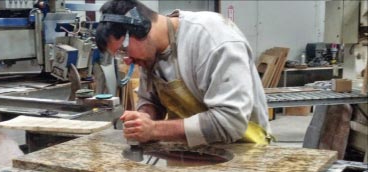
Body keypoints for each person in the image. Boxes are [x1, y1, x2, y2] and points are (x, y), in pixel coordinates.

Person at [96, 0, 271, 147]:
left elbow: (230, 122)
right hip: (189, 149)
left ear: (141, 28)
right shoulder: (149, 55)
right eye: (119, 56)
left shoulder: (212, 38)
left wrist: (154, 129)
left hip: (243, 150)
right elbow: (150, 100)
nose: (127, 60)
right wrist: (143, 118)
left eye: (123, 51)